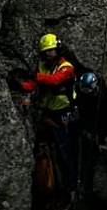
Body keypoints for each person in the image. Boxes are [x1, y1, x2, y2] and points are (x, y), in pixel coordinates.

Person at [21, 33, 78, 196]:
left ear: (57, 50)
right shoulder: (43, 66)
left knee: (65, 152)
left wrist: (36, 76)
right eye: (46, 51)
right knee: (46, 150)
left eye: (51, 50)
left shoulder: (66, 67)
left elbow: (55, 80)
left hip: (64, 114)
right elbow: (33, 84)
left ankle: (70, 187)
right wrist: (22, 85)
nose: (48, 54)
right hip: (49, 114)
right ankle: (49, 187)